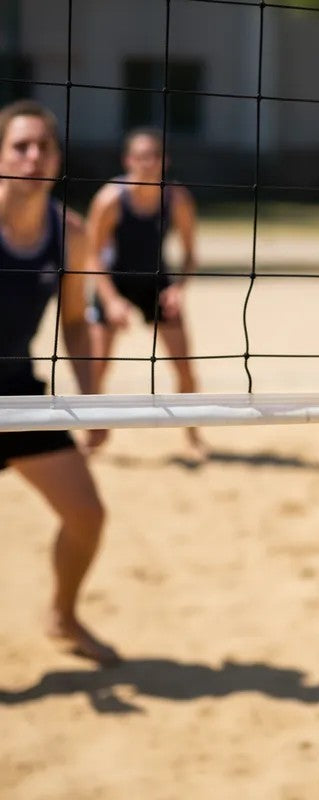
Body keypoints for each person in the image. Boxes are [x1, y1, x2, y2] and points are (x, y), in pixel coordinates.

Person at [0, 99, 119, 664]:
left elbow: (74, 319)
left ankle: (62, 615)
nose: (32, 155)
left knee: (87, 516)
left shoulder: (69, 233)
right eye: (20, 145)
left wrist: (91, 400)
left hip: (18, 396)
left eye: (43, 145)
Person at [86, 127, 205, 456]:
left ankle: (192, 434)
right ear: (128, 161)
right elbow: (91, 256)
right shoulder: (110, 198)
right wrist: (110, 301)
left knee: (185, 368)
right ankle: (93, 435)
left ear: (164, 161)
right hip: (115, 282)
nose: (147, 163)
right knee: (94, 367)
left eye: (154, 156)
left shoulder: (176, 198)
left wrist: (179, 288)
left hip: (158, 284)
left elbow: (191, 254)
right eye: (140, 157)